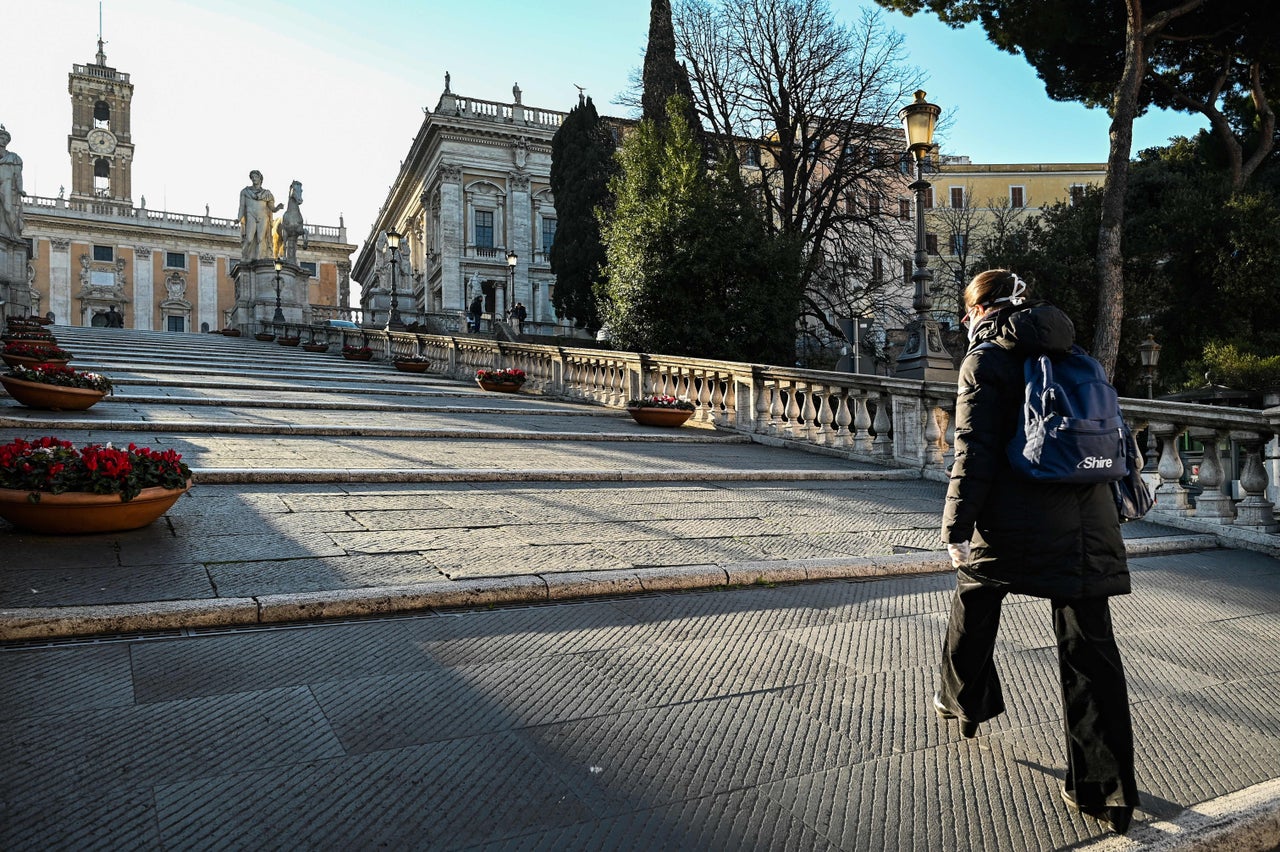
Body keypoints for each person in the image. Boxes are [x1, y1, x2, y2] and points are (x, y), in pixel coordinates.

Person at [936, 269, 1138, 835]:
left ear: (979, 311)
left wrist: (956, 528)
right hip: (1090, 522)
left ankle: (965, 702)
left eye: (966, 313)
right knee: (1091, 652)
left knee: (975, 598)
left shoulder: (984, 361)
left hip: (1014, 522)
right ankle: (1107, 792)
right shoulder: (1076, 354)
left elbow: (973, 453)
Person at [236, 170, 282, 262]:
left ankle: (258, 260)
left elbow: (271, 208)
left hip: (263, 217)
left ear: (260, 178)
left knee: (261, 239)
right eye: (252, 177)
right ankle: (245, 257)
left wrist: (277, 208)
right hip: (250, 215)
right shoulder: (245, 192)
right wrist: (239, 218)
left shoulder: (267, 194)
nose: (254, 179)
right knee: (249, 238)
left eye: (255, 177)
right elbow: (241, 206)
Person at [0, 125, 24, 242]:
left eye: (6, 139)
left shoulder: (13, 157)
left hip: (7, 185)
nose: (4, 140)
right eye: (2, 138)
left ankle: (14, 235)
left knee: (8, 209)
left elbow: (18, 175)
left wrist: (20, 188)